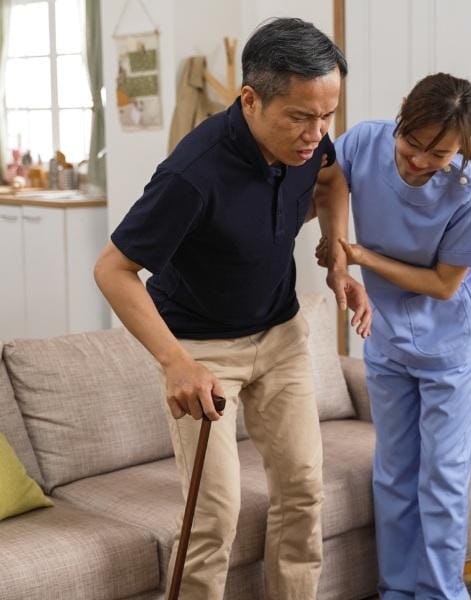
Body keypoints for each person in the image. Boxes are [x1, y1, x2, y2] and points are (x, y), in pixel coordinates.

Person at [93, 18, 370, 600]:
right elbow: (113, 270)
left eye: (328, 115)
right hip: (202, 349)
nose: (316, 132)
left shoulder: (311, 139)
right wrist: (175, 363)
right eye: (301, 116)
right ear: (250, 98)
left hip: (281, 335)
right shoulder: (192, 175)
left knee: (303, 490)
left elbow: (331, 177)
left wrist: (337, 252)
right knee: (213, 515)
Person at [315, 72, 471, 600]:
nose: (418, 161)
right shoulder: (363, 142)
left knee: (441, 478)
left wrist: (359, 254)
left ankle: (440, 593)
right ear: (400, 116)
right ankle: (395, 590)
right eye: (411, 143)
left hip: (450, 345)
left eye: (437, 154)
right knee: (394, 473)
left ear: (460, 146)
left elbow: (443, 284)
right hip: (387, 337)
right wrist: (335, 248)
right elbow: (328, 185)